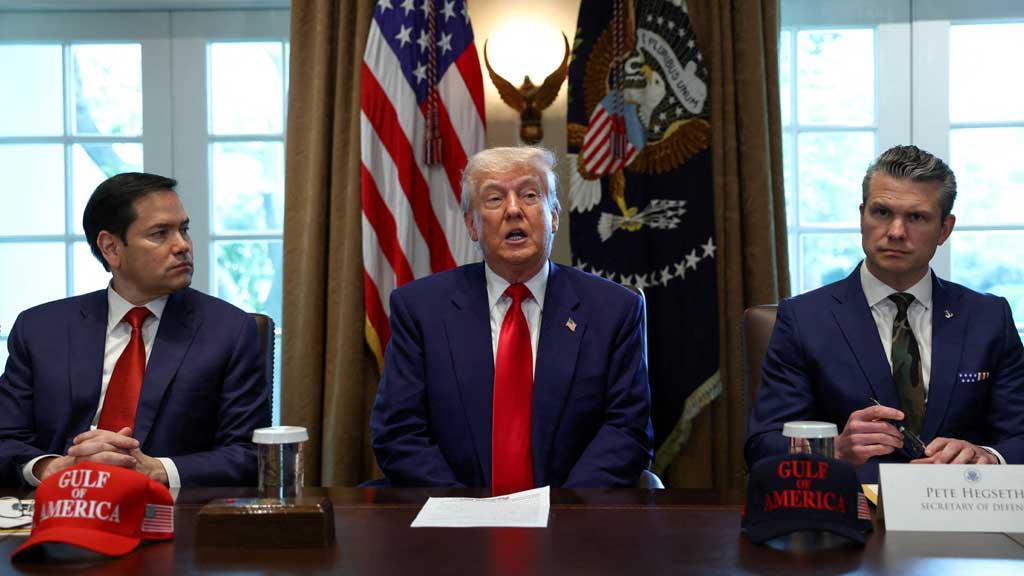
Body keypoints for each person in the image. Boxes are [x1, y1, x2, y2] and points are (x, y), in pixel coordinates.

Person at [370, 146, 653, 491]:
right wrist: (465, 511)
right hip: (453, 522)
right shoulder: (420, 310)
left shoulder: (614, 310)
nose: (514, 210)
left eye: (530, 195)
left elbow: (627, 431)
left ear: (553, 217)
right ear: (472, 225)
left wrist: (566, 510)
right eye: (494, 199)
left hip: (571, 520)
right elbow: (398, 432)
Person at [746, 145, 1024, 482]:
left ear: (944, 229)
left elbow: (1018, 437)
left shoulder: (989, 317)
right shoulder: (803, 319)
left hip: (959, 513)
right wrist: (833, 449)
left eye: (916, 217)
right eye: (881, 213)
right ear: (862, 216)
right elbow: (763, 445)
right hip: (849, 517)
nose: (895, 231)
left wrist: (988, 457)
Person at [0, 172, 270, 488]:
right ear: (111, 248)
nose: (182, 245)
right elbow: (6, 438)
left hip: (168, 514)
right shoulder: (41, 329)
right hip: (59, 509)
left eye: (183, 229)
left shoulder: (229, 330)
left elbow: (248, 454)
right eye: (160, 234)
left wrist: (156, 469)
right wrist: (54, 467)